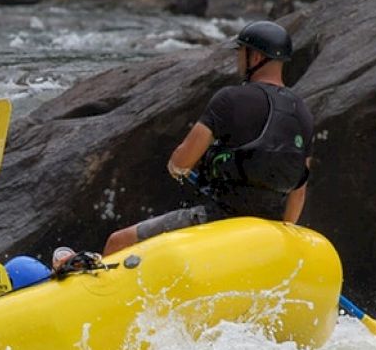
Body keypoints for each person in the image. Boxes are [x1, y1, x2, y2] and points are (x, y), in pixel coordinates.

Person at [103, 20, 314, 255]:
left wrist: (176, 167)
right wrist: (282, 234)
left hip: (219, 218)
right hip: (269, 227)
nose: (238, 61)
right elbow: (299, 190)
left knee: (118, 242)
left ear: (254, 57)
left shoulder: (229, 99)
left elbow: (182, 162)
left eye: (240, 53)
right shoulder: (302, 111)